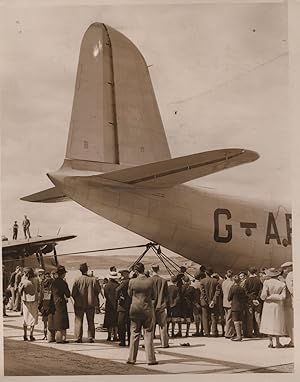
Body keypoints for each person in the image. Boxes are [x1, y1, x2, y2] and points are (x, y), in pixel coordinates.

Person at [127, 262, 157, 366]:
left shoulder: (132, 281)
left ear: (135, 271)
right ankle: (150, 359)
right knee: (148, 334)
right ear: (144, 269)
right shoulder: (150, 281)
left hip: (135, 309)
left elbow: (129, 294)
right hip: (147, 309)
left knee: (134, 334)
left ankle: (132, 358)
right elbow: (154, 296)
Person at [71, 263, 100, 343]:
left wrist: (77, 300)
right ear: (87, 270)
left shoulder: (77, 279)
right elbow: (98, 291)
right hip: (90, 303)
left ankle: (78, 337)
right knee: (91, 321)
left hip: (79, 304)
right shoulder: (93, 279)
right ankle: (91, 337)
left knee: (78, 320)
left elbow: (73, 293)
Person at [259, 267, 287, 348]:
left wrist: (269, 297)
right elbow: (283, 296)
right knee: (277, 322)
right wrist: (275, 296)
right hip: (277, 305)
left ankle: (270, 342)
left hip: (268, 305)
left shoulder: (266, 282)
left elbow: (263, 296)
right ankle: (278, 342)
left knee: (268, 322)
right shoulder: (282, 284)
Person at [48, 265, 70, 343]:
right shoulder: (63, 283)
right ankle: (60, 339)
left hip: (52, 302)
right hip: (60, 302)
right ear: (63, 274)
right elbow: (68, 294)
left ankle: (50, 338)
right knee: (61, 321)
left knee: (52, 320)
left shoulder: (53, 282)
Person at [18, 267, 40, 341]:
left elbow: (19, 290)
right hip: (34, 300)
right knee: (33, 317)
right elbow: (39, 289)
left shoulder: (23, 279)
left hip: (25, 300)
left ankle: (25, 335)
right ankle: (31, 335)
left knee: (25, 317)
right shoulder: (36, 279)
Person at [151, 264, 169, 347]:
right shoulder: (164, 281)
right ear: (158, 269)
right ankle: (164, 343)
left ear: (152, 269)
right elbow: (166, 295)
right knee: (163, 325)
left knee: (151, 325)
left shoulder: (149, 280)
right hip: (161, 305)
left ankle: (150, 343)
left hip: (151, 305)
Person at [199, 270, 221, 336]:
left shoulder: (202, 281)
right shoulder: (216, 281)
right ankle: (214, 331)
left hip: (204, 302)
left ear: (206, 273)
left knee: (205, 317)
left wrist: (208, 301)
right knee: (214, 317)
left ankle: (206, 332)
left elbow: (203, 293)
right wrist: (213, 301)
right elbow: (217, 292)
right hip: (213, 302)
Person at [244, 267, 263, 337]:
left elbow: (246, 292)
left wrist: (252, 299)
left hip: (249, 301)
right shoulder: (259, 280)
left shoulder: (247, 281)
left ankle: (250, 333)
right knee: (258, 317)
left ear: (249, 272)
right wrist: (257, 299)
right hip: (257, 301)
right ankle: (259, 332)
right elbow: (261, 291)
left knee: (250, 318)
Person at [228, 275, 248, 341]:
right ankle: (240, 334)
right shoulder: (242, 288)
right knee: (240, 321)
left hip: (234, 306)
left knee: (236, 321)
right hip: (241, 306)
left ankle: (238, 336)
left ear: (234, 281)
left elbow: (229, 298)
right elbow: (245, 297)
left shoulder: (232, 288)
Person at [104, 270, 120, 341]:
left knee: (109, 321)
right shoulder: (117, 285)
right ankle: (115, 336)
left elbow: (105, 295)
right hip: (116, 304)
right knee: (115, 322)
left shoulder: (106, 286)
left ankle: (109, 335)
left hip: (109, 304)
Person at [116, 270, 131, 346]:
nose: (121, 276)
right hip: (130, 305)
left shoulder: (124, 282)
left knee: (121, 323)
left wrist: (119, 298)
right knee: (129, 325)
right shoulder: (130, 281)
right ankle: (130, 341)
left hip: (123, 306)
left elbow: (117, 290)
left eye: (122, 274)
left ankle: (122, 341)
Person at [280, 262, 294, 348]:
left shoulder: (289, 275)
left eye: (285, 268)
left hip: (290, 302)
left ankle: (293, 341)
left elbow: (291, 289)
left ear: (290, 267)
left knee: (290, 323)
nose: (284, 270)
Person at [38, 271, 54, 340]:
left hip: (44, 306)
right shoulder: (53, 285)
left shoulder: (43, 288)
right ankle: (50, 335)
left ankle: (45, 335)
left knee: (45, 323)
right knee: (51, 321)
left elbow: (40, 298)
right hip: (51, 306)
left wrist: (39, 306)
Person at [222, 270, 235, 339]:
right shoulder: (232, 283)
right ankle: (228, 333)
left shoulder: (223, 282)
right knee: (229, 318)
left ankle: (229, 331)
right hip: (230, 302)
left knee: (227, 317)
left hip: (224, 302)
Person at [192, 271, 203, 337]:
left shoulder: (193, 285)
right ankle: (201, 330)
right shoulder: (201, 284)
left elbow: (192, 296)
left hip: (195, 303)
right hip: (201, 302)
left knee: (196, 318)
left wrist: (195, 303)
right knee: (202, 317)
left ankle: (197, 330)